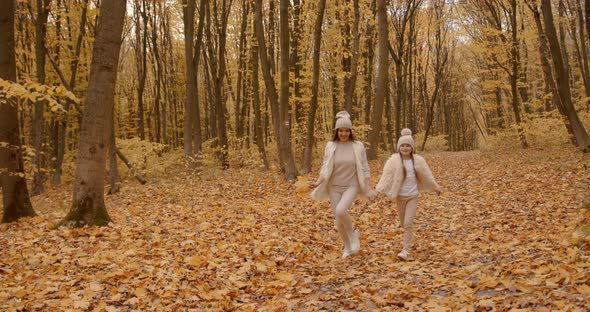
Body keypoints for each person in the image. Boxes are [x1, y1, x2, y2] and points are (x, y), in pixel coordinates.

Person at [309, 111, 378, 259]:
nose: (344, 133)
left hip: (351, 185)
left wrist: (368, 188)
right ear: (337, 131)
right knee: (338, 220)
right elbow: (325, 167)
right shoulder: (331, 146)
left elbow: (365, 168)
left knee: (341, 210)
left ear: (350, 131)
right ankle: (347, 248)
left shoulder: (358, 146)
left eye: (347, 130)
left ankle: (353, 234)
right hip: (334, 186)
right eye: (341, 130)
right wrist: (317, 183)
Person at [375, 128, 441, 261]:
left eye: (408, 145)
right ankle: (409, 237)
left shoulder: (418, 160)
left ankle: (405, 250)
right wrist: (377, 191)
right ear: (399, 147)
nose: (405, 148)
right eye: (403, 145)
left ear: (412, 148)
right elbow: (386, 177)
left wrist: (435, 187)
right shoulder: (393, 161)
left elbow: (427, 174)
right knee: (403, 224)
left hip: (413, 196)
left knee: (408, 222)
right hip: (400, 197)